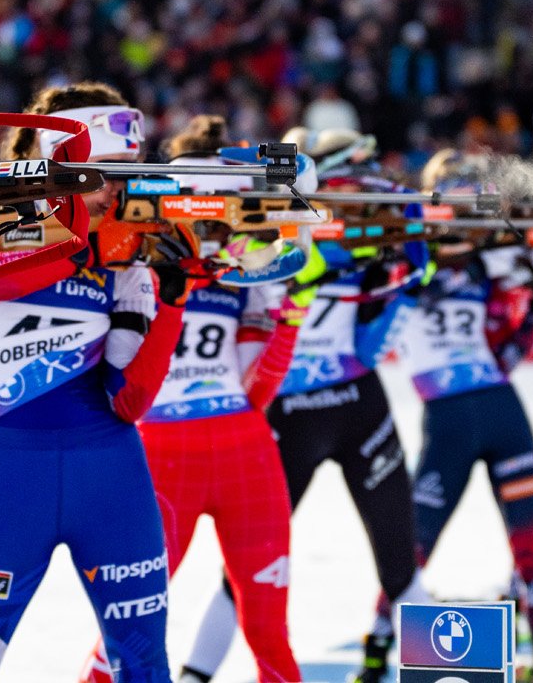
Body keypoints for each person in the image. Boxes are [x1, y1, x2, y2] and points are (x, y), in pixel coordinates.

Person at [0, 83, 186, 683]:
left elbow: (129, 399)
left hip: (114, 477)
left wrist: (175, 295)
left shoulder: (125, 252)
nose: (117, 191)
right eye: (104, 173)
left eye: (127, 174)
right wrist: (80, 244)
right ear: (59, 163)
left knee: (145, 665)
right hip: (9, 476)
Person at [180, 128, 429, 683]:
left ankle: (443, 671)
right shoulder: (264, 232)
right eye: (352, 182)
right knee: (248, 573)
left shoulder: (358, 243)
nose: (361, 192)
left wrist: (408, 276)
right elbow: (284, 263)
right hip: (288, 416)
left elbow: (369, 348)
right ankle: (195, 674)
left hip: (358, 404)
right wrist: (346, 250)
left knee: (399, 563)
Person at [81, 114, 307, 683]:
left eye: (216, 210)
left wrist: (288, 312)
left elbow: (258, 390)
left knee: (269, 632)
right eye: (193, 206)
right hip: (162, 454)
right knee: (128, 625)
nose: (205, 224)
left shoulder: (242, 269)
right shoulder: (129, 249)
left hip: (243, 452)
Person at [366, 150, 533, 674]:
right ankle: (375, 652)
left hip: (493, 409)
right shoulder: (408, 255)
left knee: (528, 547)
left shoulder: (479, 264)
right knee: (416, 544)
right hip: (456, 419)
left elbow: (506, 355)